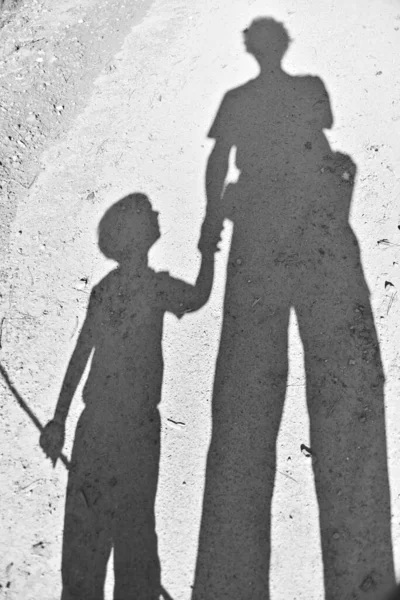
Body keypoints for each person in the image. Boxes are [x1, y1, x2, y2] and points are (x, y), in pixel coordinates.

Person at [192, 18, 395, 600]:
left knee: (249, 379)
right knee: (291, 362)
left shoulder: (239, 98)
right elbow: (329, 144)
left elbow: (218, 163)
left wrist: (211, 223)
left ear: (254, 50)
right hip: (300, 220)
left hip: (258, 221)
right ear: (279, 48)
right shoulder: (309, 90)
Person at [40, 193, 215, 600]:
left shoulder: (106, 290)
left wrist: (60, 419)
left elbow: (81, 353)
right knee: (132, 532)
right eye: (148, 214)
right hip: (134, 428)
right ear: (138, 236)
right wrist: (208, 251)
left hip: (97, 426)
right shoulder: (155, 288)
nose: (157, 213)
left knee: (93, 536)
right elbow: (199, 296)